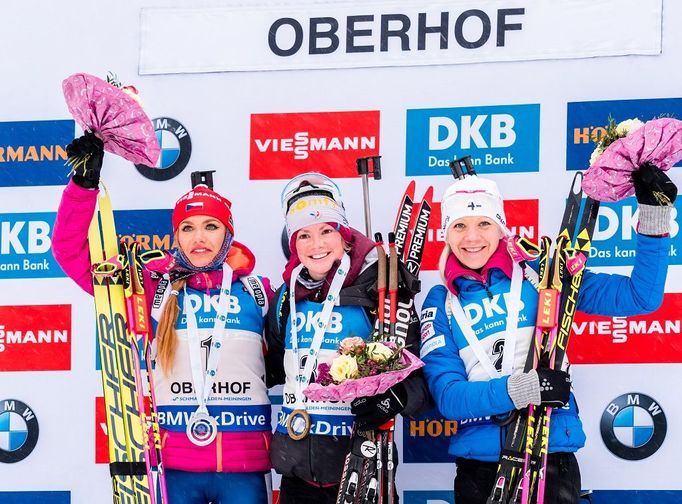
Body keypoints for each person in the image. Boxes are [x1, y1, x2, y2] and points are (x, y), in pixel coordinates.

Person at [419, 165, 676, 504]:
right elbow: (450, 398)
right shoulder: (442, 302)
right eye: (459, 226)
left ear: (500, 226)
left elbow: (639, 297)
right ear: (446, 233)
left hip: (551, 457)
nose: (472, 237)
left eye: (484, 223)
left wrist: (654, 219)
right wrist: (521, 388)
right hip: (479, 469)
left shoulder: (543, 273)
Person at [52, 132, 273, 504]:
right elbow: (70, 252)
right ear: (176, 235)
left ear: (228, 233)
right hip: (171, 465)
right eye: (188, 228)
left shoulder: (258, 291)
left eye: (211, 226)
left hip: (245, 466)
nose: (199, 238)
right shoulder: (150, 287)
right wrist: (83, 186)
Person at [265, 172, 431, 504]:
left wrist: (391, 401)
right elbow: (274, 369)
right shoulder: (286, 298)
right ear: (293, 244)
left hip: (362, 465)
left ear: (345, 236)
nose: (317, 245)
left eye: (327, 231)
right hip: (297, 473)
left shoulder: (378, 289)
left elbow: (419, 382)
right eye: (304, 235)